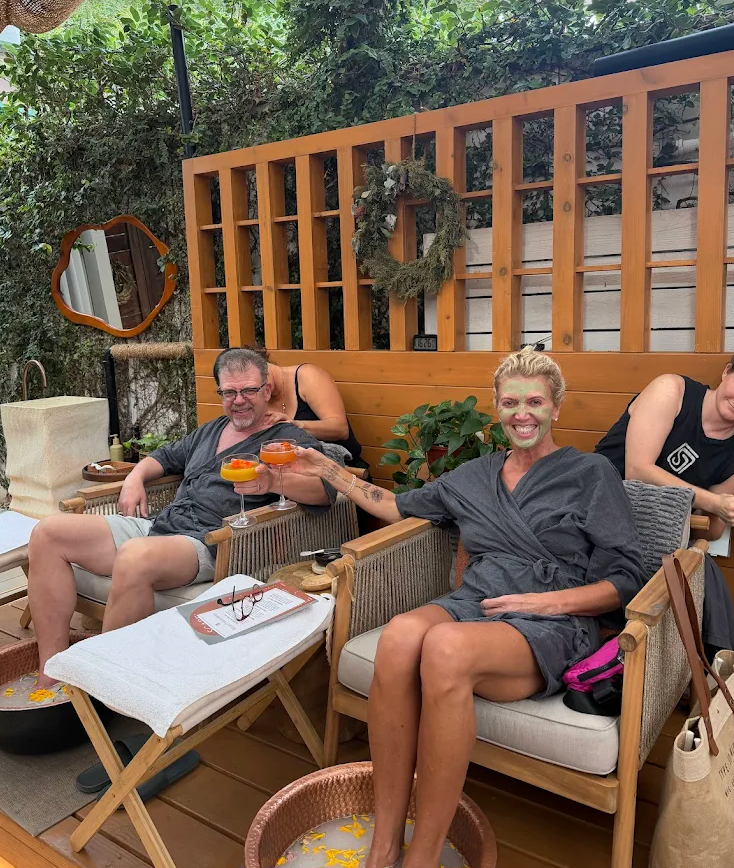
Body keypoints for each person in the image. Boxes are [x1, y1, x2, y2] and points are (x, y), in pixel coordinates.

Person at [280, 347, 645, 868]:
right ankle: (384, 842)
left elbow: (626, 579)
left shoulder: (590, 473)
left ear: (556, 408)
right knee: (400, 635)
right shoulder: (473, 477)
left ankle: (423, 857)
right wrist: (327, 469)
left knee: (445, 647)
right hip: (477, 601)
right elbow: (393, 505)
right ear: (498, 408)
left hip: (556, 620)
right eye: (511, 402)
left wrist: (547, 602)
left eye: (535, 401)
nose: (523, 413)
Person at [28, 348, 335, 689]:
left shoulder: (288, 439)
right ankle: (51, 673)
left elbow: (326, 489)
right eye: (229, 392)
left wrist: (272, 482)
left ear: (267, 390)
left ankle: (101, 688)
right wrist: (134, 478)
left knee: (134, 556)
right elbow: (163, 457)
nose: (239, 400)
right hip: (161, 526)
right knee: (47, 532)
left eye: (249, 390)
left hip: (211, 542)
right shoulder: (210, 431)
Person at [594, 366, 734, 656]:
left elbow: (712, 529)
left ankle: (716, 662)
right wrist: (713, 503)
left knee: (696, 565)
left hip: (659, 539)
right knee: (695, 569)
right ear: (727, 372)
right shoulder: (672, 391)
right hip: (598, 516)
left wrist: (724, 510)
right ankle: (718, 662)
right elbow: (637, 470)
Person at [246, 347, 367, 469]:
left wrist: (296, 425)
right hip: (289, 470)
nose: (258, 388)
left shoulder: (307, 375)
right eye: (248, 388)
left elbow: (341, 429)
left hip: (342, 468)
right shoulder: (252, 397)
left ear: (262, 363)